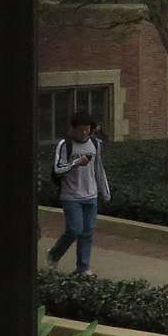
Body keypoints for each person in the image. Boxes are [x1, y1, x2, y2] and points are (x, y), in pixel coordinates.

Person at [47, 110, 111, 276]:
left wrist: (105, 192)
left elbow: (98, 169)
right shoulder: (65, 145)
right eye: (81, 129)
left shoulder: (95, 144)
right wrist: (76, 163)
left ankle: (83, 268)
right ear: (73, 129)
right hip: (71, 195)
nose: (85, 133)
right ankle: (54, 254)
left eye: (88, 129)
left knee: (88, 231)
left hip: (91, 195)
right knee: (74, 229)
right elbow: (58, 169)